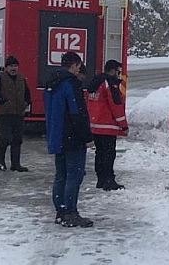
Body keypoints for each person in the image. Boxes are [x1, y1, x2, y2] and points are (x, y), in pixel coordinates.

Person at [44, 52, 94, 227]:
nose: (79, 68)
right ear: (74, 65)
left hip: (56, 136)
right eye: (78, 65)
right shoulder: (71, 84)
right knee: (74, 176)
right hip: (72, 137)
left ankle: (61, 211)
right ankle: (70, 213)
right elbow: (77, 113)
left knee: (61, 175)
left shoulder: (51, 83)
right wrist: (87, 136)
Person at [86, 59, 128, 191]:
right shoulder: (109, 84)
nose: (118, 74)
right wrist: (123, 125)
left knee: (100, 153)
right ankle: (109, 180)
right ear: (112, 71)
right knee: (109, 155)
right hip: (107, 126)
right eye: (117, 71)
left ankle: (101, 179)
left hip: (95, 125)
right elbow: (116, 106)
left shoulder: (95, 82)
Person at [0, 55, 31, 172]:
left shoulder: (21, 78)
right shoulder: (0, 77)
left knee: (17, 140)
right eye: (11, 66)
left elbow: (27, 93)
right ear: (6, 68)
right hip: (4, 114)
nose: (14, 68)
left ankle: (16, 164)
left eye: (15, 66)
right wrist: (3, 101)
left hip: (18, 114)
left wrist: (25, 103)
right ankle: (1, 162)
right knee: (5, 138)